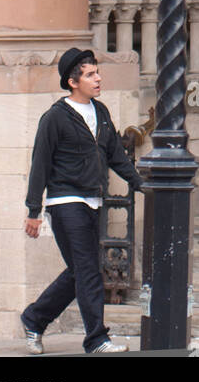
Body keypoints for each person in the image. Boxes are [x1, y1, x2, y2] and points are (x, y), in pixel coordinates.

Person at [20, 48, 145, 354]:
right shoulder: (54, 118)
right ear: (73, 81)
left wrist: (143, 184)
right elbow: (40, 164)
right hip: (65, 202)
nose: (98, 78)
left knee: (81, 270)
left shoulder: (101, 112)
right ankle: (96, 339)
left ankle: (34, 318)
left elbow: (116, 154)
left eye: (97, 72)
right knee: (88, 270)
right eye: (90, 74)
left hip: (93, 200)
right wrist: (34, 211)